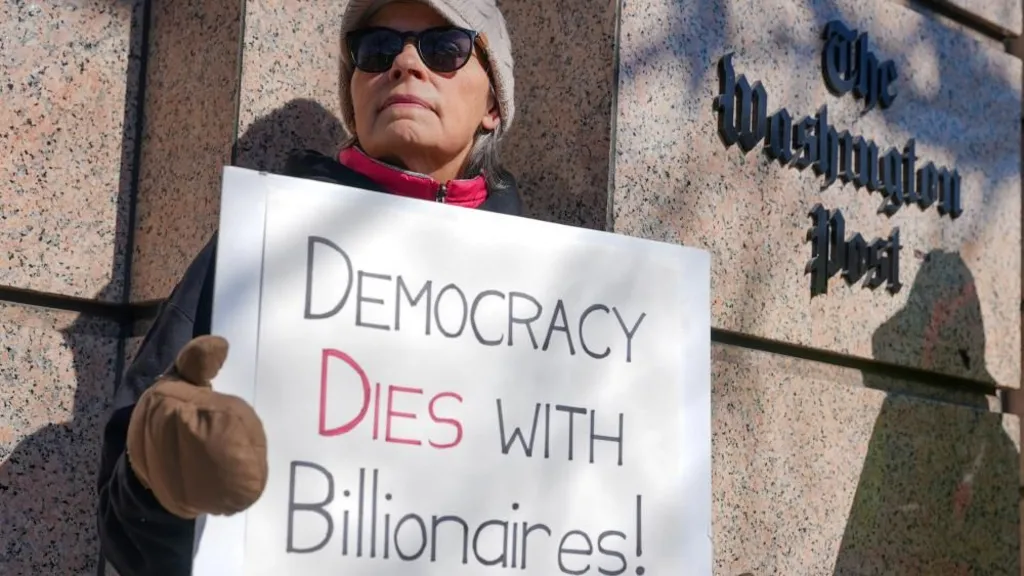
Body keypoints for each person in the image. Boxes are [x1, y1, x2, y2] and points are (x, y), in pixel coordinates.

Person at [95, 1, 521, 574]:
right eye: (377, 49)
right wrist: (162, 475)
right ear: (355, 91)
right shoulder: (264, 246)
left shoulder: (558, 293)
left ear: (493, 102)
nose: (404, 65)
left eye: (445, 48)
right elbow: (130, 537)